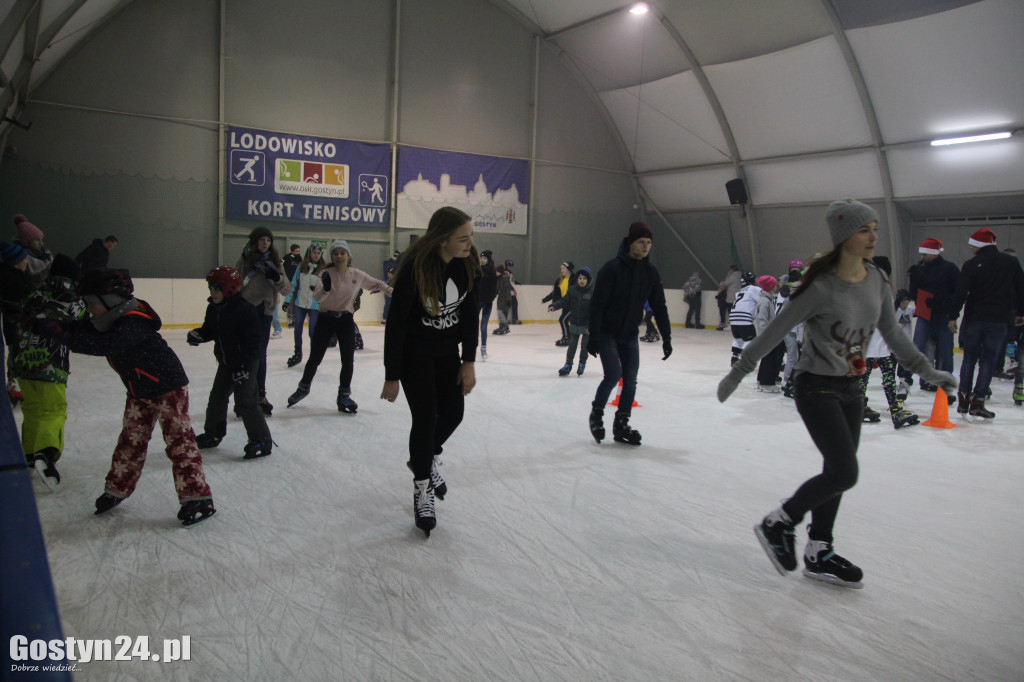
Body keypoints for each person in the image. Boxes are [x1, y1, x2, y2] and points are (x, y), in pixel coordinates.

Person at [718, 200, 957, 589]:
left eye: (875, 229)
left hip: (851, 388)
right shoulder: (822, 286)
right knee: (845, 471)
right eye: (865, 230)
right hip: (816, 386)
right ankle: (781, 521)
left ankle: (819, 551)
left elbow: (895, 336)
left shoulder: (877, 281)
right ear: (845, 235)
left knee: (837, 473)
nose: (874, 236)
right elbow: (777, 329)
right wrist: (739, 371)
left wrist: (929, 371)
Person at [29, 268, 216, 525]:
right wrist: (38, 323)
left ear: (110, 302)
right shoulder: (110, 320)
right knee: (131, 440)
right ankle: (117, 488)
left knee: (179, 442)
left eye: (92, 303)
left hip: (167, 388)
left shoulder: (132, 323)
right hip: (139, 390)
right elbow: (82, 327)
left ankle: (197, 497)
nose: (90, 309)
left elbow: (100, 345)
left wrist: (57, 333)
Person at [380, 206, 480, 537]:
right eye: (463, 238)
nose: (470, 243)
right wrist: (392, 373)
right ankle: (422, 487)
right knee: (425, 419)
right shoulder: (414, 269)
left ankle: (425, 456)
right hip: (415, 355)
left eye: (470, 236)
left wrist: (468, 361)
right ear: (442, 240)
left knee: (454, 412)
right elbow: (395, 325)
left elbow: (468, 316)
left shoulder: (468, 263)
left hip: (447, 353)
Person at [586, 221, 672, 446]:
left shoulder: (651, 273)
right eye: (641, 242)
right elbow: (597, 304)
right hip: (607, 332)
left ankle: (621, 424)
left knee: (631, 380)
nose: (645, 247)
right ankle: (596, 414)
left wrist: (667, 337)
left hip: (630, 334)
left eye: (649, 243)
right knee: (613, 374)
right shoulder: (612, 269)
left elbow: (659, 306)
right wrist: (594, 336)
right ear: (630, 243)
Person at [286, 240, 391, 413]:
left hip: (345, 320)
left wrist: (395, 293)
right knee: (315, 357)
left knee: (348, 360)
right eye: (335, 253)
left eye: (342, 253)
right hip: (325, 319)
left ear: (348, 255)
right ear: (332, 256)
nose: (339, 256)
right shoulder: (325, 273)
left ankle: (344, 395)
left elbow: (378, 284)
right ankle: (303, 388)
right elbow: (318, 298)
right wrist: (326, 288)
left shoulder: (356, 274)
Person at [10, 254, 86, 489]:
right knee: (53, 409)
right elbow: (83, 327)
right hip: (51, 365)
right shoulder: (74, 299)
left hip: (21, 361)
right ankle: (47, 452)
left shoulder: (36, 292)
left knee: (32, 409)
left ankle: (29, 456)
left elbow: (18, 314)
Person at [188, 266, 272, 459]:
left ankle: (262, 441)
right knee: (217, 398)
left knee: (246, 401)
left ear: (229, 289)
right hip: (226, 363)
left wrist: (244, 367)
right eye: (210, 288)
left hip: (246, 363)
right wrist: (198, 335)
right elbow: (209, 330)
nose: (212, 292)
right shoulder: (214, 308)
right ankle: (213, 433)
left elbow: (253, 343)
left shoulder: (245, 310)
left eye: (216, 288)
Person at [947, 228, 1024, 420]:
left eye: (972, 243)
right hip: (998, 320)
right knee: (988, 361)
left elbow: (961, 293)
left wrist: (952, 316)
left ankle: (964, 399)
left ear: (978, 244)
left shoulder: (971, 264)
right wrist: (1021, 313)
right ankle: (978, 401)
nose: (970, 247)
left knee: (969, 360)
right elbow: (1021, 288)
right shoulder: (1011, 263)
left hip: (973, 319)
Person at [857, 256, 919, 429]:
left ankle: (861, 407)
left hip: (872, 344)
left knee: (866, 378)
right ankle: (895, 411)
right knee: (887, 378)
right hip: (875, 344)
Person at [236, 226, 291, 416]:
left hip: (265, 313)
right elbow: (235, 283)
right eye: (262, 240)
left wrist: (276, 277)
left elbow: (287, 289)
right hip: (246, 311)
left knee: (260, 354)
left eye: (268, 240)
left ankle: (260, 394)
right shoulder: (245, 260)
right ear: (255, 242)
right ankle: (243, 397)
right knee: (245, 354)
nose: (265, 244)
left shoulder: (275, 262)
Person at [907, 238, 959, 392]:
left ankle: (946, 382)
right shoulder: (920, 269)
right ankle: (923, 379)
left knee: (945, 350)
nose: (922, 257)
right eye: (921, 254)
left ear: (933, 254)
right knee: (920, 347)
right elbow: (913, 294)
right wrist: (913, 280)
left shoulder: (950, 269)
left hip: (943, 315)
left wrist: (943, 303)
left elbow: (957, 292)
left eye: (925, 254)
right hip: (925, 314)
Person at [282, 244, 325, 368]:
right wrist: (287, 300)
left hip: (315, 306)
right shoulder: (301, 267)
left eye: (318, 253)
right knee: (297, 330)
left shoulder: (323, 270)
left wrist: (318, 289)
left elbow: (328, 288)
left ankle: (314, 356)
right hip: (300, 304)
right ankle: (298, 353)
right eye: (314, 252)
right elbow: (293, 284)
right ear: (309, 253)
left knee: (313, 331)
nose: (316, 255)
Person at [550, 266, 594, 376]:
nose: (582, 281)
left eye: (584, 278)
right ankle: (568, 365)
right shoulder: (573, 290)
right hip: (575, 322)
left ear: (588, 280)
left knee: (585, 346)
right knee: (572, 345)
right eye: (580, 278)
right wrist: (554, 306)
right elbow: (564, 301)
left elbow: (596, 310)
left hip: (588, 325)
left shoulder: (593, 292)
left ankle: (582, 363)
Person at [753, 275, 785, 392]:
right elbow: (762, 321)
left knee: (768, 358)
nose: (776, 287)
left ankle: (763, 380)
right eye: (775, 285)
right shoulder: (765, 301)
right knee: (770, 358)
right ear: (770, 287)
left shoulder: (767, 300)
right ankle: (766, 383)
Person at [11, 214, 53, 288]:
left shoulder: (44, 254)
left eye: (41, 239)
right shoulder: (21, 255)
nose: (41, 243)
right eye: (37, 240)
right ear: (27, 241)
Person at [542, 262, 574, 346]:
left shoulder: (574, 279)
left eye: (563, 268)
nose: (561, 270)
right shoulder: (561, 279)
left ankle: (567, 338)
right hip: (565, 304)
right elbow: (555, 293)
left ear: (569, 269)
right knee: (565, 320)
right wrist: (545, 299)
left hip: (573, 304)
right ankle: (567, 337)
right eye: (561, 268)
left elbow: (572, 294)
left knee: (563, 319)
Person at [477, 250, 497, 360]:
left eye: (484, 258)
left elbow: (494, 289)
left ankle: (483, 349)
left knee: (483, 327)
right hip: (477, 301)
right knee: (472, 326)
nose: (482, 260)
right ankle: (472, 345)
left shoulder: (492, 272)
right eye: (481, 258)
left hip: (487, 302)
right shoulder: (477, 270)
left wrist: (490, 301)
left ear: (488, 260)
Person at [715, 265, 742, 331]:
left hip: (731, 296)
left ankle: (731, 325)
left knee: (731, 312)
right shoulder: (740, 276)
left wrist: (722, 284)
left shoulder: (732, 276)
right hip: (738, 296)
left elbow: (726, 284)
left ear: (731, 270)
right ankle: (735, 325)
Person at [282, 244, 302, 327]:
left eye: (299, 251)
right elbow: (281, 267)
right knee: (290, 300)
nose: (298, 253)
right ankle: (290, 317)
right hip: (290, 282)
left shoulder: (300, 259)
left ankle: (295, 317)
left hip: (298, 282)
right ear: (292, 251)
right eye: (297, 251)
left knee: (297, 301)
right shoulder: (286, 258)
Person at [492, 264, 513, 335]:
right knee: (499, 312)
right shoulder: (498, 279)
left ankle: (505, 326)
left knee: (500, 312)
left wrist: (508, 300)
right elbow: (496, 290)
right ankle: (501, 326)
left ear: (500, 272)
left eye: (497, 272)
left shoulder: (505, 279)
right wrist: (492, 297)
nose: (496, 273)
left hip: (505, 298)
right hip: (500, 298)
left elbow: (507, 290)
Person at [382, 250, 400, 324]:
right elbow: (388, 275)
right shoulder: (388, 264)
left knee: (395, 304)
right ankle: (385, 318)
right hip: (389, 286)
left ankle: (391, 318)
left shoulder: (398, 265)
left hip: (395, 286)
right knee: (388, 302)